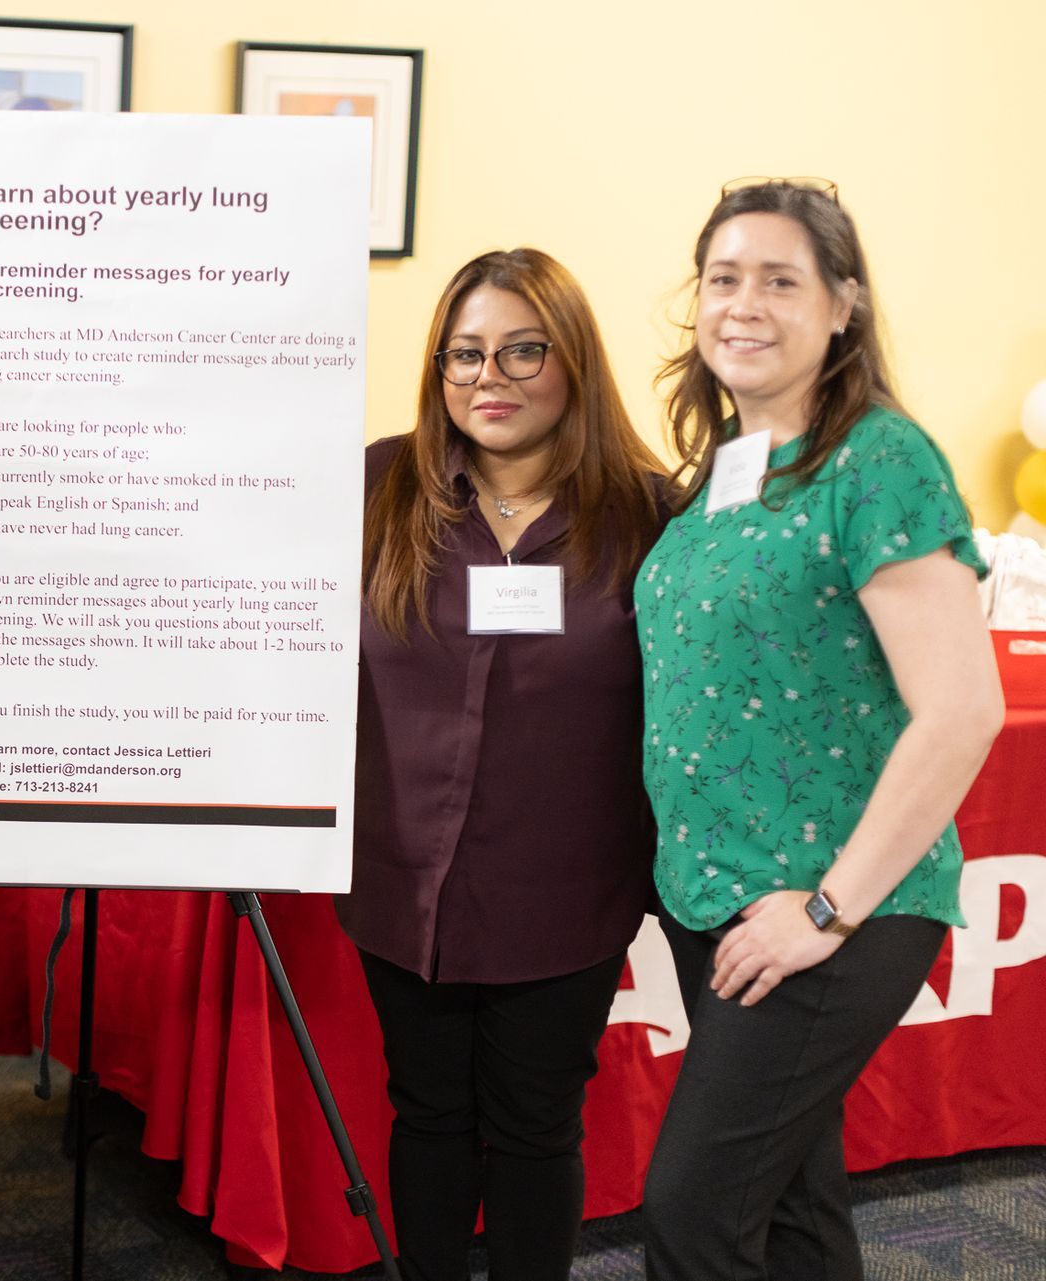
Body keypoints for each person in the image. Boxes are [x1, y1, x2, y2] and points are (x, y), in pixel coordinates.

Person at [635, 179, 1005, 1278]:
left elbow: (964, 709)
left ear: (844, 304)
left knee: (693, 1213)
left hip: (831, 904)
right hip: (725, 898)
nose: (742, 305)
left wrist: (831, 909)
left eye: (780, 281)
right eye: (722, 278)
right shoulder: (728, 469)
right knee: (790, 1209)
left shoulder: (878, 459)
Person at [336, 248, 667, 1280]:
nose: (492, 377)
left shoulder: (650, 515)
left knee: (535, 1125)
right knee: (427, 1110)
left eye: (525, 350)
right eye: (465, 354)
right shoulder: (377, 485)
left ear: (574, 363)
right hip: (401, 882)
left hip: (564, 894)